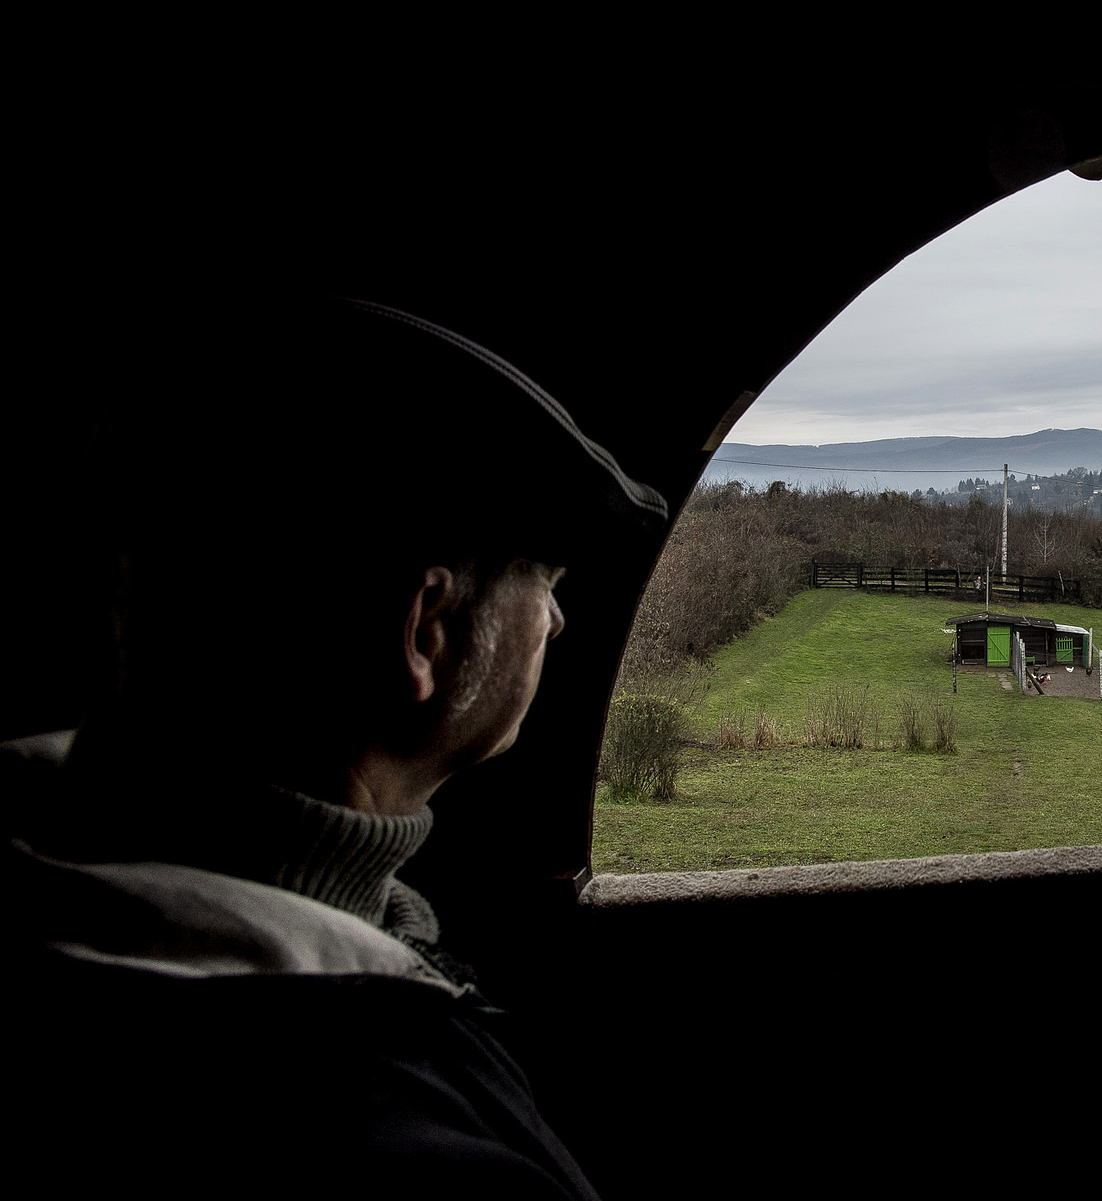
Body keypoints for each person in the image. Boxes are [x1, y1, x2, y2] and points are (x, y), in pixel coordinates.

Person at [3, 299, 668, 1197]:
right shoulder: (370, 1128)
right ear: (428, 632)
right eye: (541, 581)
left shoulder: (49, 873)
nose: (556, 620)